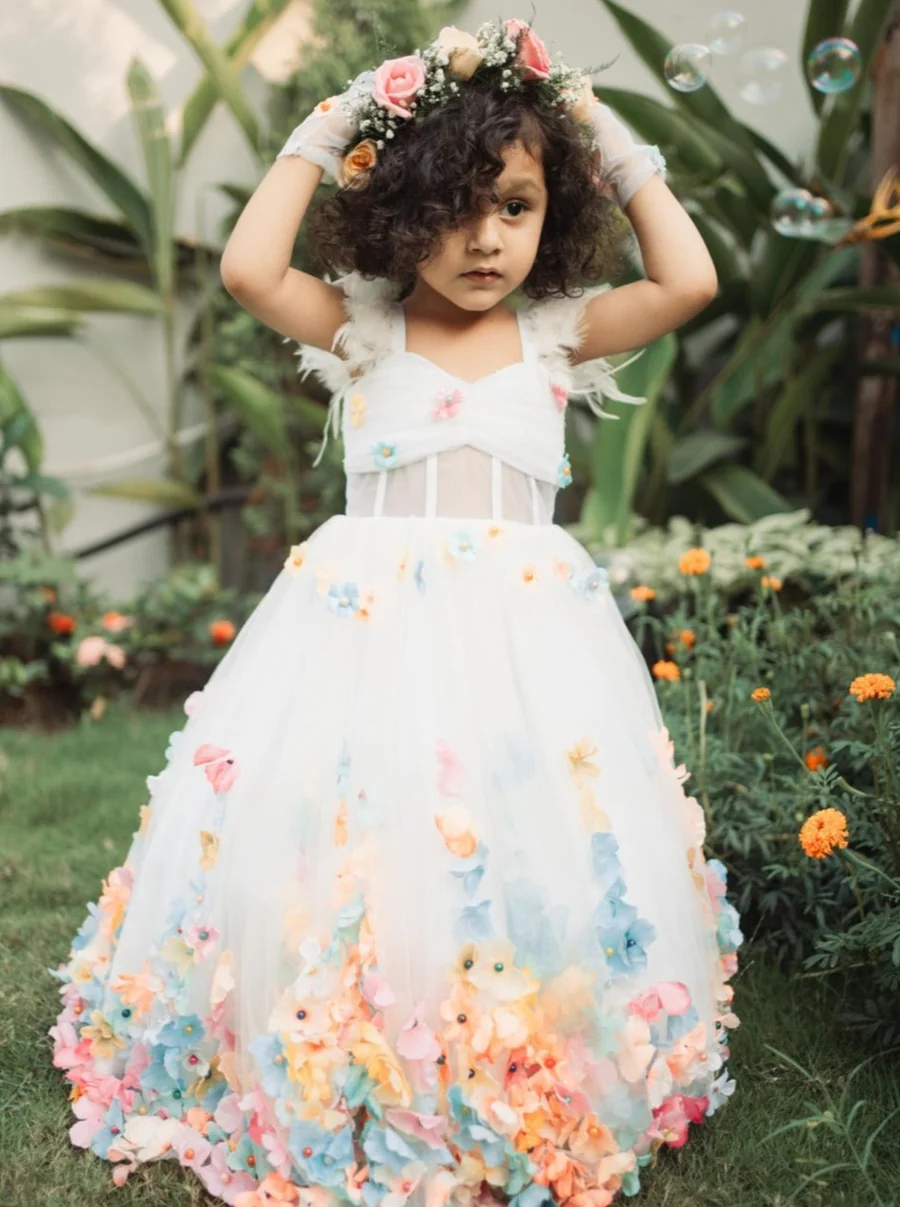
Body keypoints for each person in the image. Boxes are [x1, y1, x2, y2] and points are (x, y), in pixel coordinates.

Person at [48, 18, 742, 1207]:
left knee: (520, 837)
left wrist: (594, 127)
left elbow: (690, 279)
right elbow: (248, 271)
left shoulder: (555, 333)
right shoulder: (364, 325)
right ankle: (346, 1023)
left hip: (524, 642)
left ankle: (517, 1036)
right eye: (452, 208)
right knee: (358, 839)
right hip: (363, 638)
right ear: (395, 212)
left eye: (516, 207)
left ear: (553, 209)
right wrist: (342, 122)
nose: (484, 239)